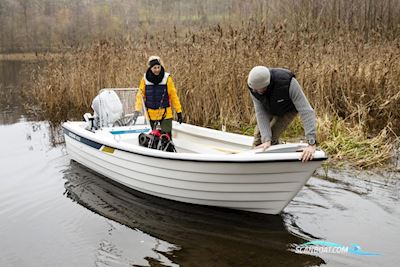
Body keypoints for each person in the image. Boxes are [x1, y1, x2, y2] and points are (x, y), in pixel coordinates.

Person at [247, 66, 317, 162]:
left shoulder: (288, 83)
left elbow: (306, 111)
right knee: (259, 140)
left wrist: (311, 143)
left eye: (258, 89)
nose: (255, 92)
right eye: (254, 89)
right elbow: (260, 112)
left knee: (273, 135)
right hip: (269, 107)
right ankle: (255, 166)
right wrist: (266, 139)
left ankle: (275, 164)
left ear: (266, 84)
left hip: (288, 109)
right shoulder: (253, 87)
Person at [134, 56, 183, 137]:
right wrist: (137, 110)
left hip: (165, 114)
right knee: (151, 139)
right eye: (154, 68)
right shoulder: (145, 79)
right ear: (150, 68)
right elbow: (140, 95)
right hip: (150, 114)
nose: (157, 70)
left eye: (158, 67)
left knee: (166, 138)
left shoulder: (167, 78)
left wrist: (179, 112)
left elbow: (173, 95)